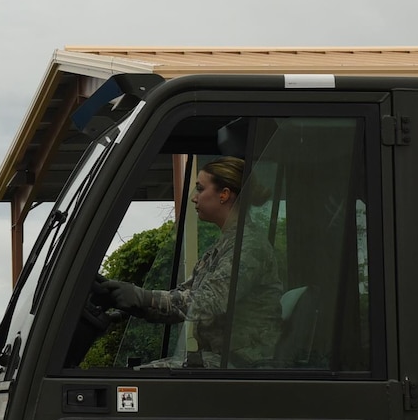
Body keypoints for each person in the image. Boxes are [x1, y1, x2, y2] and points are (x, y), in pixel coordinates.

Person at [96, 156, 282, 369]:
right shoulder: (224, 246)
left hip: (242, 367)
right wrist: (128, 304)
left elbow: (207, 303)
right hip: (219, 362)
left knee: (137, 383)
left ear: (224, 195)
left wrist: (144, 297)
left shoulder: (249, 247)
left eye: (200, 189)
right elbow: (182, 301)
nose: (194, 198)